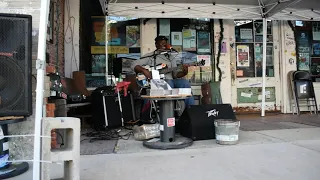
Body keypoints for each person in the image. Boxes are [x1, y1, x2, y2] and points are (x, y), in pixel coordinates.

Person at [131, 35, 195, 107]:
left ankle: (191, 109)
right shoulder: (150, 56)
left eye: (165, 43)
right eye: (162, 43)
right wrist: (144, 71)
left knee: (184, 82)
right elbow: (134, 64)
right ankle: (169, 112)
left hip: (171, 81)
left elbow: (175, 75)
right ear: (156, 45)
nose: (164, 45)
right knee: (168, 82)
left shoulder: (171, 57)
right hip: (157, 83)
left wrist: (184, 72)